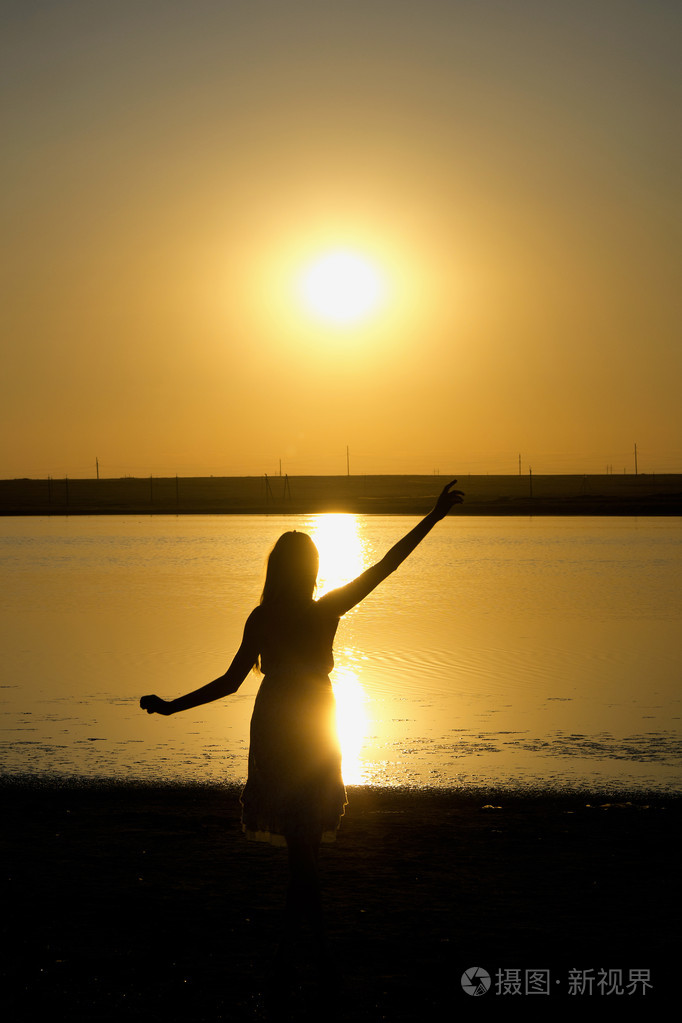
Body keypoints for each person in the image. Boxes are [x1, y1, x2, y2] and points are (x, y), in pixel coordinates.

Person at [140, 479, 464, 980]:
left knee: (303, 847)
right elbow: (384, 567)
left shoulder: (267, 616)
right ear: (309, 570)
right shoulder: (321, 611)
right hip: (310, 724)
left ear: (276, 570)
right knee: (302, 846)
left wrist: (171, 708)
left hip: (281, 724)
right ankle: (310, 952)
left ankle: (299, 952)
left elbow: (230, 683)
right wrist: (433, 516)